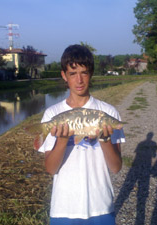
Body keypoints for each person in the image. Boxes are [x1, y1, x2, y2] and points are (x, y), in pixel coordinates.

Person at [38, 44, 125, 225]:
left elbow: (116, 168)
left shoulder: (108, 112)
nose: (79, 80)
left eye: (84, 73)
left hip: (101, 206)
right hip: (64, 208)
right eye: (72, 73)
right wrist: (62, 142)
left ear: (91, 73)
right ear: (64, 76)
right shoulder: (52, 114)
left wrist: (105, 139)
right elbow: (50, 169)